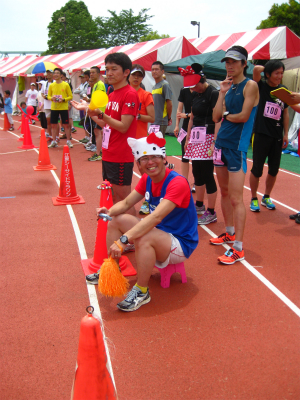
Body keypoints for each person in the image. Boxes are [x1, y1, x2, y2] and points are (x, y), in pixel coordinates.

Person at [86, 132, 199, 312]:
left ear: (164, 159)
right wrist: (109, 211)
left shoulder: (177, 183)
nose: (150, 162)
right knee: (116, 220)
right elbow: (126, 203)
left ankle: (142, 291)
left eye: (154, 157)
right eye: (144, 158)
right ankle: (112, 271)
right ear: (138, 164)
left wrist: (124, 241)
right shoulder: (147, 179)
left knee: (144, 238)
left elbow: (155, 217)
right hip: (160, 233)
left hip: (181, 242)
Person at [71, 53, 139, 215]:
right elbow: (105, 124)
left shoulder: (129, 94)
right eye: (107, 69)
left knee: (124, 200)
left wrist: (100, 114)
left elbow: (123, 126)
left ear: (126, 72)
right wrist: (89, 110)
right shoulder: (112, 94)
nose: (109, 73)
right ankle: (123, 233)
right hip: (109, 153)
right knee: (114, 197)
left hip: (121, 155)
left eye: (114, 69)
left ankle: (133, 236)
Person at [211, 46, 259, 264]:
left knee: (236, 198)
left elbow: (242, 116)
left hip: (237, 147)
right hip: (221, 145)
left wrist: (226, 115)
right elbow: (215, 117)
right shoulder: (228, 88)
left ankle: (238, 247)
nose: (230, 65)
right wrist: (221, 92)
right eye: (227, 62)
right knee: (224, 191)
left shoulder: (251, 85)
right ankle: (228, 232)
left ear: (244, 64)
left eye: (234, 62)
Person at [180, 64, 220, 225]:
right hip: (196, 138)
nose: (193, 88)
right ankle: (199, 205)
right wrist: (188, 138)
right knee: (196, 172)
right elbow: (191, 118)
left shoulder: (214, 93)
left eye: (195, 85)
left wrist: (214, 142)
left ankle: (211, 211)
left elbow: (218, 119)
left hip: (209, 136)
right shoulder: (195, 95)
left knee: (207, 174)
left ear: (202, 80)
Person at [249, 60, 289, 212]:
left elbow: (285, 113)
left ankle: (266, 196)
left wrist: (285, 134)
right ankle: (253, 198)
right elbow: (255, 71)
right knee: (257, 169)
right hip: (260, 133)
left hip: (277, 136)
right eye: (277, 73)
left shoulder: (283, 90)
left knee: (274, 169)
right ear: (268, 74)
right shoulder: (261, 87)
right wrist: (269, 67)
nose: (280, 76)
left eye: (281, 73)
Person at [129, 63, 155, 215]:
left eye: (139, 75)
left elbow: (152, 117)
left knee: (145, 171)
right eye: (134, 75)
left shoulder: (145, 95)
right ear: (128, 76)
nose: (136, 78)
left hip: (139, 140)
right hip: (124, 138)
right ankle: (124, 200)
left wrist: (137, 115)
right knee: (125, 172)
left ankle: (148, 201)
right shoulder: (123, 93)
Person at [83, 66, 106, 161]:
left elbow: (99, 99)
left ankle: (99, 153)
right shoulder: (96, 85)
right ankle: (99, 152)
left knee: (98, 132)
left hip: (99, 111)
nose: (91, 74)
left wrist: (88, 105)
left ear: (98, 74)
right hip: (96, 111)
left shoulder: (100, 84)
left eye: (93, 72)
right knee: (98, 132)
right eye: (90, 73)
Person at [174, 86, 196, 185]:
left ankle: (197, 182)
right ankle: (185, 182)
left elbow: (201, 111)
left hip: (197, 125)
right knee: (184, 155)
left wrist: (186, 115)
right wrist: (176, 126)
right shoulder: (184, 90)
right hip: (185, 125)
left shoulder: (200, 89)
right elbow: (179, 111)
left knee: (196, 156)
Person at [47, 68, 73, 148]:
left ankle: (68, 141)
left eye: (57, 73)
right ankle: (54, 141)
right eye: (54, 73)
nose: (55, 74)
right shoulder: (51, 85)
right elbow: (48, 96)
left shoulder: (65, 84)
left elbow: (70, 96)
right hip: (54, 107)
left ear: (61, 75)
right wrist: (52, 98)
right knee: (54, 125)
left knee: (66, 125)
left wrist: (64, 99)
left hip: (63, 107)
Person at [151, 61, 172, 137]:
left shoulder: (165, 85)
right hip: (153, 121)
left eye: (156, 69)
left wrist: (168, 118)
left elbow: (169, 104)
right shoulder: (154, 86)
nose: (154, 71)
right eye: (152, 69)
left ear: (162, 71)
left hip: (161, 121)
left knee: (159, 145)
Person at [41, 69, 54, 139]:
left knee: (54, 122)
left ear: (53, 74)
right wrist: (44, 96)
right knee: (48, 121)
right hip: (46, 105)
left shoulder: (55, 82)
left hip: (54, 104)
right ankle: (50, 135)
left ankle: (56, 136)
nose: (48, 74)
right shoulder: (44, 83)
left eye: (50, 73)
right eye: (47, 73)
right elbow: (42, 92)